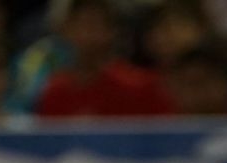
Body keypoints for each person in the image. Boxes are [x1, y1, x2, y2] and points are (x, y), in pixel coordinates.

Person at [35, 0, 174, 118]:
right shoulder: (55, 92)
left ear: (112, 30)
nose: (87, 35)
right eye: (81, 24)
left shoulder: (142, 86)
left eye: (95, 25)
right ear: (66, 29)